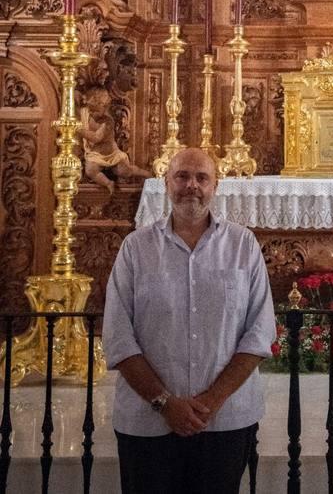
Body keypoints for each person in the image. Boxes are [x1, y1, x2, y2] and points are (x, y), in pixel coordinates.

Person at [103, 147, 276, 494]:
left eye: (202, 178)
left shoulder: (243, 246)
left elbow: (259, 334)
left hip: (225, 420)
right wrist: (166, 404)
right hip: (147, 422)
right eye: (182, 176)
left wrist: (212, 401)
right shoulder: (136, 248)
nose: (191, 186)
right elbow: (118, 336)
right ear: (166, 182)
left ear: (216, 185)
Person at [80, 86, 149, 194]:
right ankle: (108, 183)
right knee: (90, 170)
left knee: (124, 171)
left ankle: (145, 174)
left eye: (95, 111)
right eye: (90, 110)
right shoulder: (88, 116)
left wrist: (80, 131)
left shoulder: (107, 122)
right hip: (95, 154)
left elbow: (96, 138)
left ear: (104, 107)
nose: (91, 113)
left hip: (112, 154)